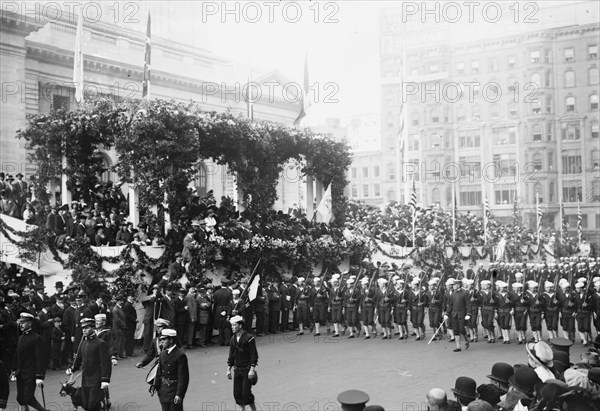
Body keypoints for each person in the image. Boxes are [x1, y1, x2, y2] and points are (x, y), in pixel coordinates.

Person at [67, 318, 111, 411]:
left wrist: (105, 379)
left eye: (87, 327)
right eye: (83, 328)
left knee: (92, 405)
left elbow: (106, 363)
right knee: (86, 405)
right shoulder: (83, 343)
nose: (84, 330)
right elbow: (78, 359)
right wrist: (72, 368)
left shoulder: (100, 343)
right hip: (85, 378)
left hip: (96, 378)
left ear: (93, 327)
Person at [10, 313, 46, 411]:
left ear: (30, 323)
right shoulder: (20, 338)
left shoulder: (36, 338)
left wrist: (39, 376)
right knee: (20, 399)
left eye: (24, 322)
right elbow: (16, 355)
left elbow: (40, 358)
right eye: (20, 322)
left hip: (31, 373)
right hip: (20, 373)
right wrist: (13, 369)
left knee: (29, 398)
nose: (21, 325)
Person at [153, 329, 189, 411]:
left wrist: (179, 394)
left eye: (164, 339)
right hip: (163, 391)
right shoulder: (162, 354)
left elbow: (183, 377)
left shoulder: (180, 355)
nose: (161, 342)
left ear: (171, 340)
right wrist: (155, 386)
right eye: (161, 339)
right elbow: (159, 372)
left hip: (174, 391)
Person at [227, 316, 258, 411]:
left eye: (234, 325)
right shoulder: (232, 339)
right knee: (237, 393)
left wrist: (252, 370)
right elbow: (231, 355)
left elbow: (254, 355)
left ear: (240, 325)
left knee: (246, 393)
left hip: (247, 370)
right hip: (237, 370)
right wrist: (228, 369)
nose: (232, 327)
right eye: (231, 325)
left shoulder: (249, 338)